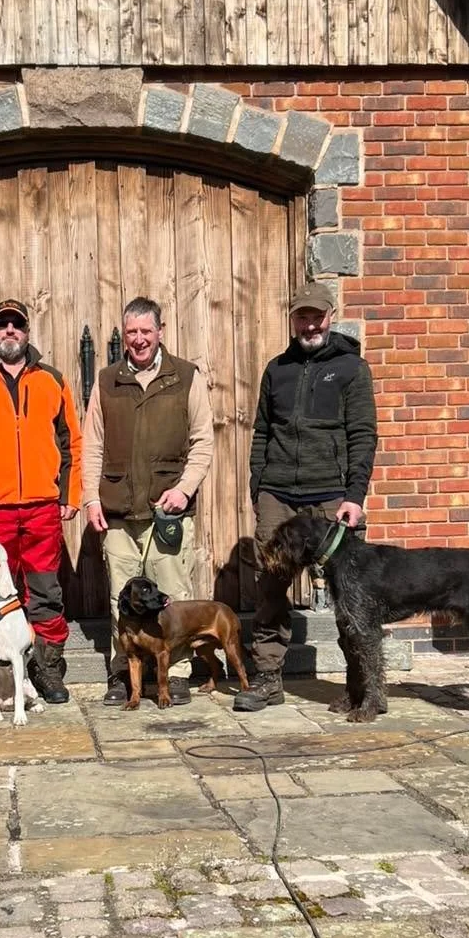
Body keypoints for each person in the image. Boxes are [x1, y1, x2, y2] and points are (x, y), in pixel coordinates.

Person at [234, 280, 378, 712]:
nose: (310, 323)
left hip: (332, 497)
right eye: (302, 316)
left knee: (350, 595)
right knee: (270, 590)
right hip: (278, 496)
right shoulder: (277, 369)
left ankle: (361, 687)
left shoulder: (353, 369)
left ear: (330, 316)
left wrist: (355, 495)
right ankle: (268, 680)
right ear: (292, 318)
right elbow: (262, 432)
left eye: (317, 315)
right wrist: (258, 487)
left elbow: (363, 435)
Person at [0, 298, 83, 705]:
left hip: (42, 506)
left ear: (27, 331)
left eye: (17, 325)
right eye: (2, 324)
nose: (10, 331)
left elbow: (71, 442)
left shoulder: (52, 379)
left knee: (45, 591)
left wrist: (69, 494)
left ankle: (47, 668)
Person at [82, 296, 214, 706]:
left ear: (160, 332)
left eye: (145, 331)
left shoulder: (186, 377)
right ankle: (123, 672)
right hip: (119, 511)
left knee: (171, 592)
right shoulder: (106, 381)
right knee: (121, 597)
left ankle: (173, 673)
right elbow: (92, 446)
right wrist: (90, 498)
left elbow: (203, 442)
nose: (138, 340)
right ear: (125, 335)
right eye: (131, 332)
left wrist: (185, 488)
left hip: (167, 511)